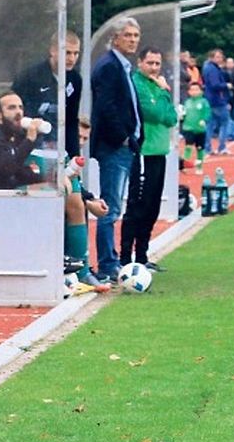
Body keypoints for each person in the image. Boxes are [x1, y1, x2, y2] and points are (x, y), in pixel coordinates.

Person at [90, 16, 143, 283]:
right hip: (114, 147)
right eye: (128, 35)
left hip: (125, 146)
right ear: (115, 38)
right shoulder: (109, 67)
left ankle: (111, 261)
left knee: (113, 206)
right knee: (108, 207)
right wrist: (123, 137)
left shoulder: (123, 67)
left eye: (136, 35)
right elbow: (106, 107)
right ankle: (107, 264)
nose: (133, 39)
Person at [120, 47, 178, 272]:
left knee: (153, 206)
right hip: (143, 151)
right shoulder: (138, 84)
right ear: (140, 63)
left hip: (159, 153)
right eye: (150, 63)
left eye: (157, 63)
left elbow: (171, 117)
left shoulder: (156, 86)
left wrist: (162, 97)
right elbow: (153, 113)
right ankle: (126, 257)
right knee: (138, 205)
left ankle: (142, 255)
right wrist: (164, 93)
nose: (154, 68)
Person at [11, 30, 83, 157]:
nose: (72, 58)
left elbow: (71, 120)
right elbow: (15, 114)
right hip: (31, 146)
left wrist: (74, 155)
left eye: (76, 53)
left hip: (59, 148)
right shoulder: (30, 77)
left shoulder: (75, 79)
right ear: (53, 51)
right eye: (67, 53)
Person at [63, 116, 111, 294]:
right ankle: (79, 272)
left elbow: (79, 188)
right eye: (79, 137)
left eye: (85, 138)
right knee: (76, 206)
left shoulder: (70, 156)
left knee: (79, 204)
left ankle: (79, 270)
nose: (81, 142)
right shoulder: (54, 151)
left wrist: (91, 202)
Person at [202, 48, 232, 155]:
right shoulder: (212, 69)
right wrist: (226, 85)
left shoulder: (208, 68)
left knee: (210, 125)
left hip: (210, 99)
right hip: (217, 100)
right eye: (218, 57)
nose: (220, 59)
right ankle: (222, 146)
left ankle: (207, 147)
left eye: (221, 56)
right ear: (211, 57)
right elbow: (215, 85)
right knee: (224, 123)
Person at [181, 81, 209, 175]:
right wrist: (181, 117)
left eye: (196, 89)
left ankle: (199, 166)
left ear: (201, 91)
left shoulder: (203, 102)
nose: (194, 92)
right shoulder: (187, 102)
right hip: (188, 128)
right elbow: (183, 113)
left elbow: (207, 113)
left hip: (200, 129)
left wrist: (204, 120)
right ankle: (184, 165)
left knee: (200, 148)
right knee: (188, 147)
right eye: (192, 90)